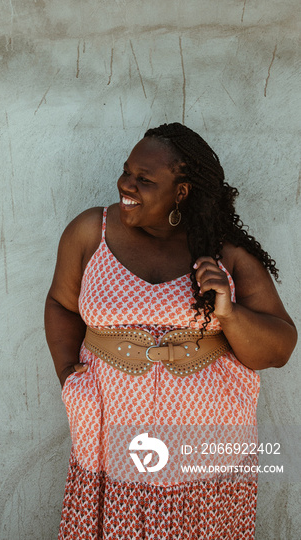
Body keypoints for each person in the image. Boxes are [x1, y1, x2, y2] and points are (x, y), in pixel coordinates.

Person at [44, 122, 297, 540]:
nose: (127, 184)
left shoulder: (223, 252)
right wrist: (69, 375)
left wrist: (229, 314)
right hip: (112, 431)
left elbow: (280, 348)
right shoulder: (92, 231)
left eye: (144, 179)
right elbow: (60, 305)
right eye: (127, 172)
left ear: (182, 191)